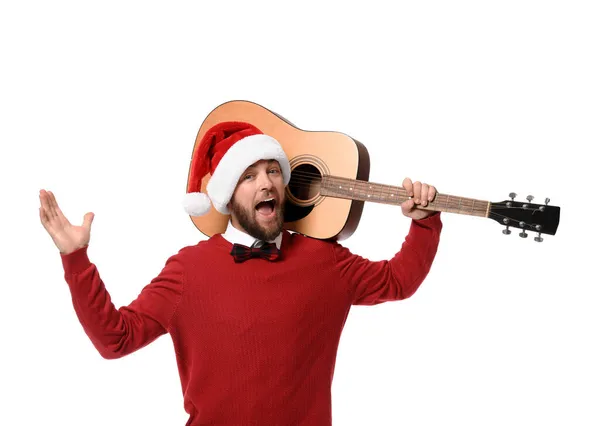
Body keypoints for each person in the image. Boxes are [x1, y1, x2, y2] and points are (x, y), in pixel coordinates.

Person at [39, 121, 443, 425]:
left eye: (272, 171)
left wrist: (424, 222)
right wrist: (75, 258)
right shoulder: (188, 270)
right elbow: (116, 339)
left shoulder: (325, 261)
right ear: (227, 194)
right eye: (248, 176)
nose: (265, 183)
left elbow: (397, 281)